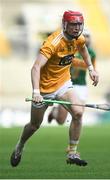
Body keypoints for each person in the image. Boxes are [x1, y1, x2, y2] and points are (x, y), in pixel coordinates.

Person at [10, 10, 99, 167]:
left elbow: (83, 49)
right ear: (65, 24)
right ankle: (20, 145)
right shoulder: (53, 42)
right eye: (73, 24)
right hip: (44, 89)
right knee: (34, 125)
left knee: (78, 113)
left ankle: (72, 152)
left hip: (63, 83)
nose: (77, 28)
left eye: (79, 24)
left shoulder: (79, 38)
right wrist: (36, 92)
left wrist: (91, 68)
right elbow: (36, 67)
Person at [48, 29, 97, 125]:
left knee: (79, 115)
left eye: (88, 36)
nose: (86, 39)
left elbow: (93, 68)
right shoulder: (72, 48)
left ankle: (74, 139)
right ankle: (54, 113)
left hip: (81, 85)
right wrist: (85, 64)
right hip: (67, 85)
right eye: (84, 36)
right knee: (61, 120)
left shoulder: (92, 53)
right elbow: (72, 62)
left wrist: (94, 74)